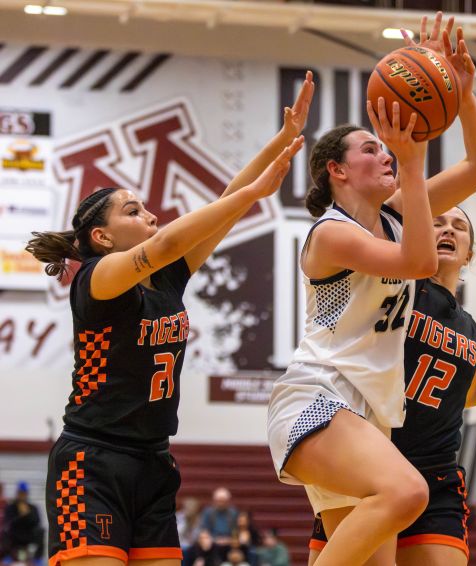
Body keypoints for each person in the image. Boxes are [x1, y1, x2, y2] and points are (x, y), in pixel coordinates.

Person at [29, 73, 313, 566]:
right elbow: (169, 241)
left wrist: (281, 140)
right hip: (92, 461)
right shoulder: (97, 278)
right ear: (102, 237)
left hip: (154, 459)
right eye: (133, 211)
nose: (151, 216)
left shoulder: (165, 280)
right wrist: (251, 194)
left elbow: (224, 207)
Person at [266, 10, 476, 566]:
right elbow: (418, 262)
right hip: (319, 397)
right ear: (337, 172)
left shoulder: (395, 216)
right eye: (370, 149)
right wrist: (415, 165)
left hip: (370, 413)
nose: (387, 153)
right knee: (407, 491)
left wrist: (462, 95)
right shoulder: (330, 234)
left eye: (386, 148)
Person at [307, 208, 476, 566]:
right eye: (437, 223)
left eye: (459, 227)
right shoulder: (395, 290)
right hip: (371, 465)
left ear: (469, 254)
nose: (448, 230)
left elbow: (470, 392)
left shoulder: (470, 329)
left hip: (436, 472)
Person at [0, 481, 44, 562]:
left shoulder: (33, 508)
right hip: (14, 544)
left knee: (41, 531)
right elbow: (9, 524)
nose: (22, 496)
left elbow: (36, 523)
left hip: (29, 542)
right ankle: (6, 557)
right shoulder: (10, 508)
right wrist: (21, 516)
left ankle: (37, 559)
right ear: (17, 493)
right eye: (20, 493)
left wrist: (27, 515)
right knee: (5, 532)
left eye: (24, 493)